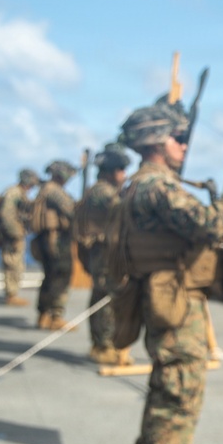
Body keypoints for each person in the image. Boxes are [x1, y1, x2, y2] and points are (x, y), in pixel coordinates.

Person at [114, 100, 223, 444]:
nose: (184, 147)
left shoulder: (136, 185)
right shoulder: (159, 186)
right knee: (179, 394)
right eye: (179, 138)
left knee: (163, 386)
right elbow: (211, 224)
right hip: (174, 303)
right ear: (157, 142)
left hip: (159, 298)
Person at [75, 142, 132, 365]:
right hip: (104, 254)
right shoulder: (102, 192)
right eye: (121, 170)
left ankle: (105, 344)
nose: (124, 175)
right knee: (105, 299)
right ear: (110, 171)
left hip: (105, 253)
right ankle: (102, 345)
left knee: (104, 296)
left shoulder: (99, 190)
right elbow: (122, 210)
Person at [30, 160, 78, 331]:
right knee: (61, 276)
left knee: (50, 277)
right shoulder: (54, 191)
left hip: (47, 239)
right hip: (56, 239)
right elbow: (72, 211)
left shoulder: (45, 189)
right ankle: (55, 316)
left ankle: (44, 315)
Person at [0, 168, 39, 307]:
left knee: (16, 264)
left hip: (14, 234)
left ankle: (12, 293)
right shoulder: (14, 193)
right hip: (11, 236)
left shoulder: (17, 193)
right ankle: (11, 294)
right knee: (12, 263)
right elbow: (6, 215)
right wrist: (15, 234)